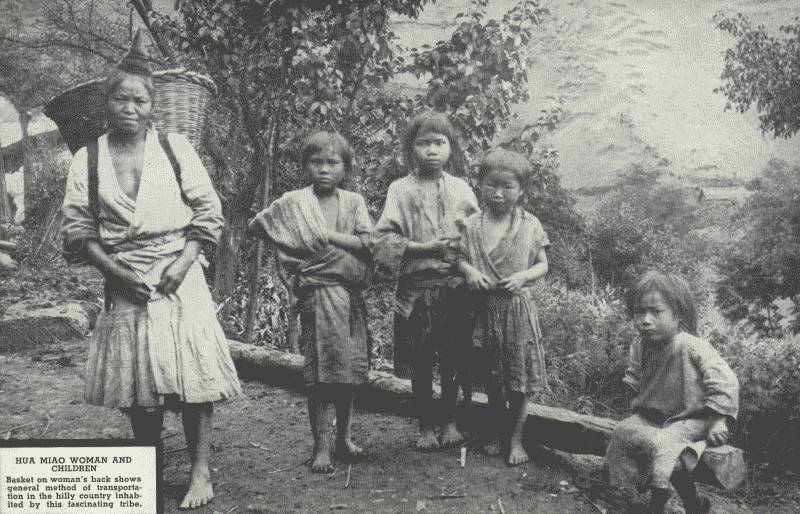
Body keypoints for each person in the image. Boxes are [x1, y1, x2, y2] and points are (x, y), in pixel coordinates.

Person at [60, 32, 241, 510]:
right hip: (123, 273)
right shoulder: (89, 157)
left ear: (152, 106)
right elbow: (79, 232)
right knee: (138, 382)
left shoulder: (175, 148)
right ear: (106, 103)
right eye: (120, 97)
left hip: (180, 271)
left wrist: (182, 265)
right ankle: (149, 463)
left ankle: (200, 470)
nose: (130, 108)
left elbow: (208, 213)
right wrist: (116, 274)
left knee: (193, 374)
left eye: (140, 99)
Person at [249, 131, 373, 473]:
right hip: (315, 296)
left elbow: (367, 245)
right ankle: (321, 445)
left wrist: (327, 237)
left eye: (333, 163)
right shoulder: (295, 203)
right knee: (319, 377)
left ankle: (344, 438)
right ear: (306, 166)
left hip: (347, 296)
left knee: (346, 373)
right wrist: (300, 275)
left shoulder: (353, 203)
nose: (324, 169)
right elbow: (266, 228)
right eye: (316, 162)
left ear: (345, 169)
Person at [373, 111, 479, 450]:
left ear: (451, 148)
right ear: (410, 149)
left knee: (453, 358)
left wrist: (466, 261)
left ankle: (449, 421)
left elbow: (477, 235)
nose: (432, 150)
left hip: (452, 287)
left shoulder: (462, 189)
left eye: (440, 143)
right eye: (423, 143)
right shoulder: (399, 190)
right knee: (420, 362)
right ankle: (425, 427)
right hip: (415, 290)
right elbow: (384, 239)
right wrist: (422, 247)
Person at [605, 271, 739, 514]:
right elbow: (635, 379)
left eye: (656, 312)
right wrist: (634, 407)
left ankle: (657, 502)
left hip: (692, 418)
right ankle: (683, 502)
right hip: (656, 416)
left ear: (677, 315)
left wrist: (720, 421)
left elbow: (725, 380)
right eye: (639, 312)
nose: (645, 320)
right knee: (622, 431)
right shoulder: (640, 345)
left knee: (665, 443)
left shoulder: (690, 345)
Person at [456, 149, 550, 466]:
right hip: (483, 310)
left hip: (517, 310)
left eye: (507, 187)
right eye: (491, 185)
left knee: (519, 380)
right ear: (479, 185)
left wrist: (524, 275)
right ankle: (497, 431)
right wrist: (469, 272)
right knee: (493, 378)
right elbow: (460, 259)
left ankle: (516, 439)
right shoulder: (471, 225)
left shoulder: (529, 225)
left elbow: (543, 264)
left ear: (521, 190)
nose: (498, 194)